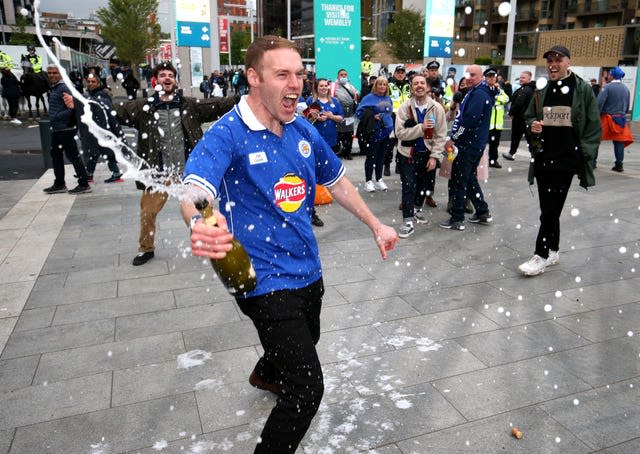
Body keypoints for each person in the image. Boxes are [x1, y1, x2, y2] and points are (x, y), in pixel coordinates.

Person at [180, 35, 399, 454]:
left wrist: (375, 223)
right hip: (260, 278)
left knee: (307, 337)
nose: (295, 83)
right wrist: (200, 220)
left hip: (306, 268)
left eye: (299, 73)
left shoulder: (302, 128)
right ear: (254, 78)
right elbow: (194, 189)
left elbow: (335, 182)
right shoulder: (227, 133)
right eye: (282, 74)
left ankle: (265, 371)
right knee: (305, 391)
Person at [116, 61, 237, 266]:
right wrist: (85, 104)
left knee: (203, 210)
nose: (167, 78)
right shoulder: (143, 107)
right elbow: (114, 110)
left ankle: (213, 244)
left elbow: (218, 105)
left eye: (170, 75)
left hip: (187, 172)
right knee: (148, 212)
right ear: (156, 80)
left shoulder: (189, 105)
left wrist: (242, 98)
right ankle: (146, 249)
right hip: (159, 173)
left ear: (175, 80)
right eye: (162, 75)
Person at [519, 45, 601, 276]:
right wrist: (532, 125)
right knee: (549, 208)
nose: (553, 64)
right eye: (550, 61)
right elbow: (528, 118)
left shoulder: (582, 88)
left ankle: (540, 255)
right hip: (544, 157)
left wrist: (584, 156)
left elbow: (594, 126)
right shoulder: (541, 89)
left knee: (550, 209)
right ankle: (553, 250)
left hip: (567, 159)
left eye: (558, 59)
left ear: (568, 62)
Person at [440, 64, 495, 231]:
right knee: (469, 179)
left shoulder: (479, 94)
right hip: (473, 143)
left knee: (459, 180)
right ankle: (482, 211)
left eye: (473, 74)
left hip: (468, 145)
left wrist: (454, 138)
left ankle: (457, 218)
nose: (469, 77)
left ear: (481, 77)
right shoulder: (478, 92)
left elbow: (468, 121)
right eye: (467, 74)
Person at [394, 75, 447, 238]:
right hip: (407, 154)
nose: (419, 86)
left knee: (425, 186)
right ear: (411, 87)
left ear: (428, 87)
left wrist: (434, 156)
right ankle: (408, 221)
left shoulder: (437, 108)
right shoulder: (404, 108)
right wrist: (421, 128)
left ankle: (417, 209)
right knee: (409, 186)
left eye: (422, 83)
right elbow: (400, 133)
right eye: (415, 83)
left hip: (427, 154)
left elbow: (441, 135)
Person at [63, 73, 123, 183]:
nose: (90, 84)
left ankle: (115, 173)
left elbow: (98, 106)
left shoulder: (101, 94)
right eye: (89, 81)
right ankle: (90, 174)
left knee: (105, 152)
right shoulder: (92, 94)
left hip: (102, 129)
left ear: (98, 83)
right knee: (94, 153)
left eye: (93, 82)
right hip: (95, 129)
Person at [42, 64, 91, 195]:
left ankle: (84, 184)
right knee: (56, 155)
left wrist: (58, 117)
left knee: (73, 156)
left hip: (66, 128)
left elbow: (73, 107)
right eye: (50, 73)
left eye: (54, 73)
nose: (52, 75)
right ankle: (59, 183)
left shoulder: (63, 87)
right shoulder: (56, 87)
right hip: (58, 129)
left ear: (61, 74)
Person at [356, 77, 394, 193]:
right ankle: (368, 181)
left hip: (386, 133)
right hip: (374, 133)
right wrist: (372, 116)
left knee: (381, 157)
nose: (382, 86)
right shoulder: (368, 98)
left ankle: (379, 179)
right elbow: (359, 113)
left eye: (384, 84)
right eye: (380, 84)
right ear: (375, 86)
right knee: (371, 157)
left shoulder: (388, 98)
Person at [597, 66, 632, 172]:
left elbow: (599, 103)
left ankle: (592, 162)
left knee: (595, 139)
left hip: (607, 118)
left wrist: (596, 115)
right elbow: (627, 107)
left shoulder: (607, 87)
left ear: (612, 75)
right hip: (620, 119)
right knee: (619, 142)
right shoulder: (626, 89)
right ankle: (619, 165)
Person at [503, 71, 535, 161]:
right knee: (529, 138)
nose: (521, 79)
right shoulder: (532, 89)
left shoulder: (524, 90)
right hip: (527, 118)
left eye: (523, 78)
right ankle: (534, 154)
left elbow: (518, 104)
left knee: (516, 136)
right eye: (520, 77)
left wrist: (511, 112)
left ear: (529, 79)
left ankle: (512, 153)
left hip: (520, 118)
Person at [386, 65, 411, 176]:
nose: (400, 74)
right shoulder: (389, 86)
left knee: (402, 143)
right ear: (395, 74)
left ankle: (398, 165)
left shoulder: (409, 87)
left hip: (405, 118)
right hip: (393, 117)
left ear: (405, 74)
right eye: (398, 72)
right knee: (390, 144)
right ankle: (386, 165)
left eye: (402, 72)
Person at [484, 67, 510, 169]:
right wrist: (497, 100)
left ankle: (493, 160)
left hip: (497, 124)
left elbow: (506, 98)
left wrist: (496, 98)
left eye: (493, 77)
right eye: (489, 77)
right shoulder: (484, 89)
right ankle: (479, 161)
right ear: (485, 78)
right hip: (487, 123)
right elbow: (488, 101)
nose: (492, 79)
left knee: (495, 144)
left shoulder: (498, 89)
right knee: (482, 143)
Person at [330, 68, 358, 159]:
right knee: (338, 134)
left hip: (349, 114)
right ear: (337, 76)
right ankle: (337, 151)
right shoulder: (333, 87)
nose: (343, 76)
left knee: (349, 134)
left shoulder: (351, 87)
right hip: (338, 113)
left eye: (345, 74)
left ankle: (347, 152)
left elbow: (355, 98)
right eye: (341, 75)